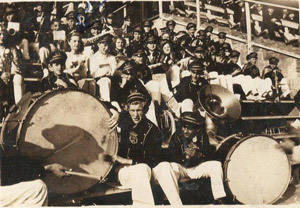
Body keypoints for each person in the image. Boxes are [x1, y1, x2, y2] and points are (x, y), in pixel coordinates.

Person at [153, 111, 226, 205]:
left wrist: (199, 154)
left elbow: (210, 154)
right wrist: (185, 157)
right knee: (169, 167)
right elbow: (170, 156)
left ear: (197, 129)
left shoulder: (202, 135)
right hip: (181, 168)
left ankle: (219, 198)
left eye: (189, 128)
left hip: (196, 167)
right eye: (184, 127)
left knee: (216, 165)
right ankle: (170, 201)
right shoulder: (177, 135)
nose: (185, 131)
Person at [105, 91, 162, 206]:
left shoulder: (153, 130)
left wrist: (126, 161)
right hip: (119, 171)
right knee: (142, 170)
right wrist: (114, 111)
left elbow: (154, 159)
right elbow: (102, 102)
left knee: (142, 169)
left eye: (139, 110)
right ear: (128, 110)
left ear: (145, 110)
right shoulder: (124, 119)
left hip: (138, 169)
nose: (135, 115)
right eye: (132, 110)